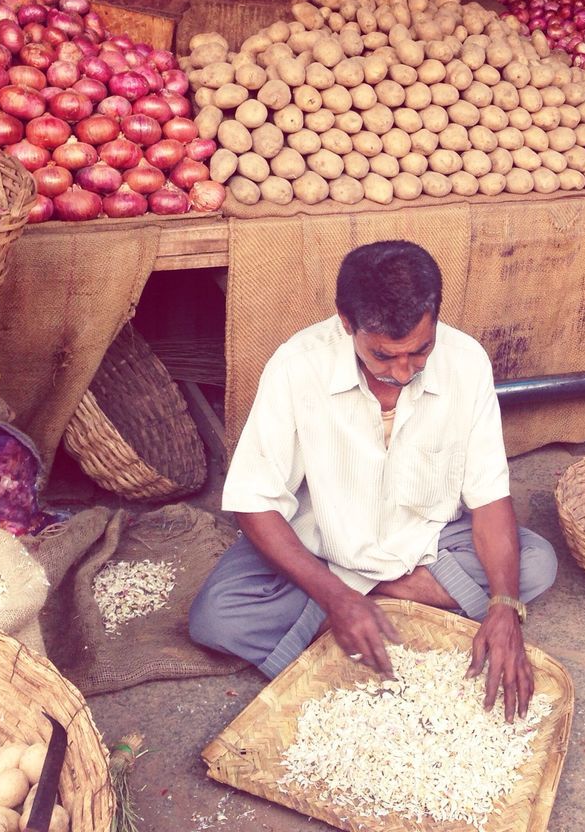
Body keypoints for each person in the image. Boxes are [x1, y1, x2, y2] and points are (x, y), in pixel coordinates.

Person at [189, 240, 558, 720]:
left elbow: (488, 497)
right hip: (323, 543)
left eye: (420, 351)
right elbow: (253, 502)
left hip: (428, 542)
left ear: (436, 319)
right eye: (384, 356)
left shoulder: (467, 362)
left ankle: (359, 607)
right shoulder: (297, 365)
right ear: (347, 324)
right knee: (216, 617)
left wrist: (507, 608)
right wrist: (335, 594)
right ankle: (369, 603)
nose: (403, 371)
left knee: (534, 563)